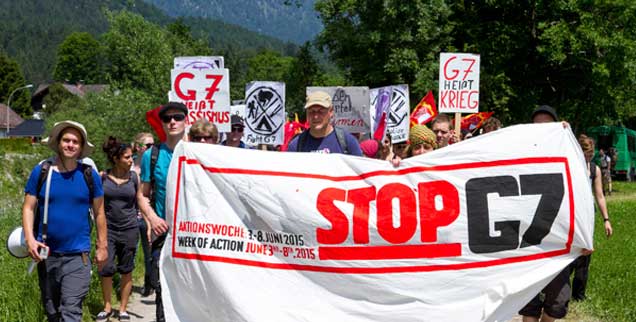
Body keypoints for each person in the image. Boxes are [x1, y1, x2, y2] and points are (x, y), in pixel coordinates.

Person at [22, 120, 107, 322]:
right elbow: (28, 207)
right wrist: (30, 240)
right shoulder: (42, 172)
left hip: (78, 256)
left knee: (71, 310)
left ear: (81, 147)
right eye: (66, 140)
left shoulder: (88, 175)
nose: (70, 145)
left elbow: (100, 212)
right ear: (58, 143)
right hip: (46, 254)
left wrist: (102, 245)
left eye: (75, 142)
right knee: (52, 312)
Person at [519, 105, 578, 322]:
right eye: (537, 126)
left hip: (558, 242)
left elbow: (580, 192)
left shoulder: (566, 154)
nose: (542, 130)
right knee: (529, 304)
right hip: (527, 241)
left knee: (557, 303)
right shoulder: (520, 153)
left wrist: (567, 135)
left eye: (547, 126)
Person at [138, 102, 187, 322]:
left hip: (191, 235)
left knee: (191, 293)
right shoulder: (152, 155)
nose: (172, 122)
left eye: (177, 117)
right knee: (163, 292)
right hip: (164, 234)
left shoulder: (199, 151)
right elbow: (142, 194)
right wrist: (152, 217)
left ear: (186, 119)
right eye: (167, 119)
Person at [97, 138, 139, 322]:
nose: (131, 160)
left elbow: (139, 201)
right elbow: (95, 205)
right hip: (109, 230)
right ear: (115, 158)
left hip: (130, 229)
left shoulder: (134, 178)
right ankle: (107, 307)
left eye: (132, 157)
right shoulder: (103, 177)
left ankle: (122, 309)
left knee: (126, 269)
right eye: (127, 157)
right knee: (105, 268)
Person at [569, 135, 613, 301]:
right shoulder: (571, 167)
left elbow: (600, 196)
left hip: (588, 215)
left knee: (586, 251)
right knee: (570, 251)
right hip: (572, 214)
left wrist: (606, 220)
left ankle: (579, 294)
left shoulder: (595, 169)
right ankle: (558, 289)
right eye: (585, 155)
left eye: (590, 155)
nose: (588, 158)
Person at [287, 91, 362, 156]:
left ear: (331, 112)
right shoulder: (296, 145)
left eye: (321, 111)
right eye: (311, 112)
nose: (316, 116)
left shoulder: (348, 142)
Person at [131, 132, 154, 297]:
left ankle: (149, 281)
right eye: (148, 145)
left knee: (149, 251)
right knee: (129, 251)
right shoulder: (128, 164)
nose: (151, 149)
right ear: (138, 147)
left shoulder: (153, 163)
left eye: (153, 145)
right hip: (130, 214)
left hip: (147, 213)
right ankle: (126, 282)